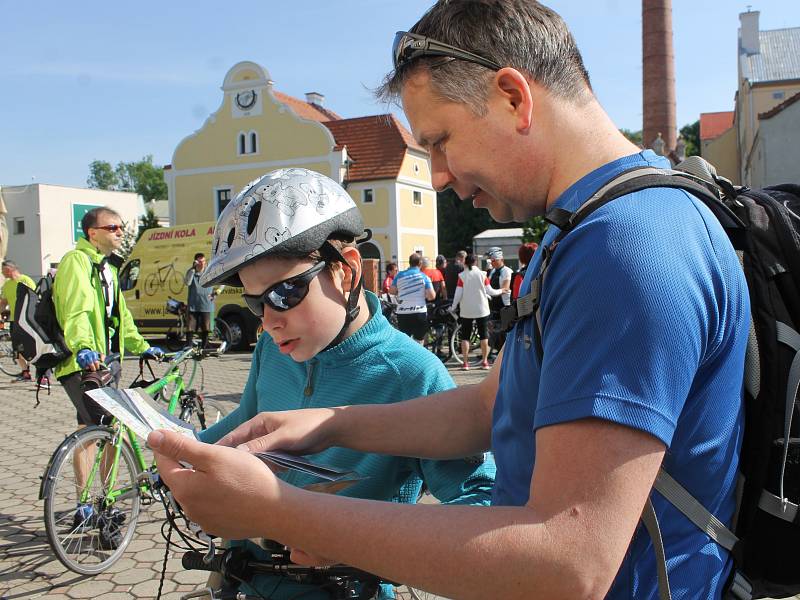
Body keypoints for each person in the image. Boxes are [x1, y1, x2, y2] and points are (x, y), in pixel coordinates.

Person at [150, 2, 749, 598]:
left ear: (514, 97)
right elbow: (487, 411)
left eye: (439, 141)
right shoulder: (585, 227)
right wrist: (324, 423)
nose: (436, 176)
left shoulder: (622, 247)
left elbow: (568, 562)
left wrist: (277, 511)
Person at [190, 168, 494, 599]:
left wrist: (358, 543)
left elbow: (483, 498)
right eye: (255, 302)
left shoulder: (411, 372)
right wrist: (186, 449)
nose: (269, 321)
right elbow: (249, 419)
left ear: (347, 273)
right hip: (242, 579)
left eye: (284, 294)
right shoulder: (271, 351)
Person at [54, 206, 163, 547]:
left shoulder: (108, 269)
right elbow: (75, 310)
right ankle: (99, 507)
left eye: (121, 227)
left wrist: (143, 346)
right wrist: (83, 347)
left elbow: (121, 317)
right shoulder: (77, 262)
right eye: (112, 227)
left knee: (98, 431)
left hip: (106, 362)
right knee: (99, 431)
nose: (119, 232)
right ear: (93, 233)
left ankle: (91, 505)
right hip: (84, 363)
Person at [450, 253, 502, 370]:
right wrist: (502, 290)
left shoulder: (462, 276)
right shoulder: (483, 275)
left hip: (466, 310)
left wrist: (453, 307)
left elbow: (458, 295)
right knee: (484, 336)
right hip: (482, 309)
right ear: (476, 262)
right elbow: (490, 291)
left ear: (465, 262)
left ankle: (465, 363)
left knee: (465, 337)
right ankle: (484, 362)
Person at [0, 260, 37, 381]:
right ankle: (25, 372)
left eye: (3, 270)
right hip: (14, 320)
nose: (2, 272)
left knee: (32, 346)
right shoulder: (6, 285)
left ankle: (42, 372)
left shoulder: (25, 280)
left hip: (27, 320)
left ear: (9, 269)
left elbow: (36, 297)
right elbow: (3, 302)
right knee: (17, 348)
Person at [389, 253, 435, 343]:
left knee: (405, 342)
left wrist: (401, 291)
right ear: (420, 263)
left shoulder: (399, 275)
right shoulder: (424, 277)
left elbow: (391, 291)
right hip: (419, 312)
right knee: (419, 341)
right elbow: (432, 296)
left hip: (403, 312)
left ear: (409, 263)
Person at [183, 252, 215, 348]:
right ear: (196, 262)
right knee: (190, 327)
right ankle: (189, 346)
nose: (202, 264)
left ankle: (204, 346)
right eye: (200, 262)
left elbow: (219, 281)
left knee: (206, 327)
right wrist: (193, 269)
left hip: (206, 305)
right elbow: (187, 283)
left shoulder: (209, 272)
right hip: (193, 305)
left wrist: (217, 292)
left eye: (204, 261)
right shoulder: (191, 272)